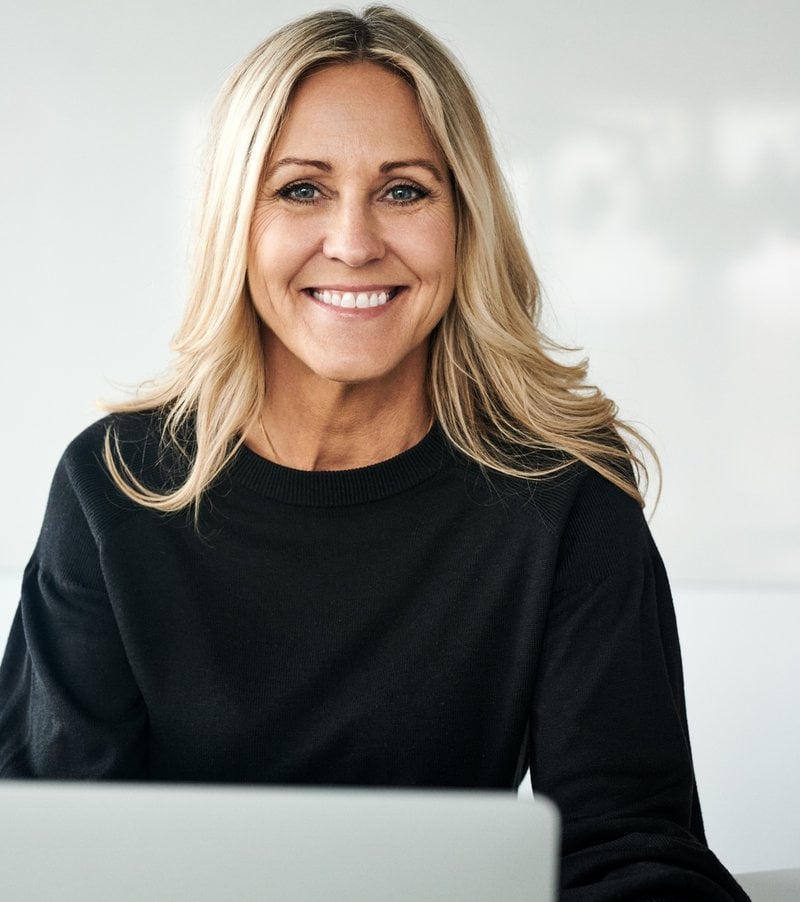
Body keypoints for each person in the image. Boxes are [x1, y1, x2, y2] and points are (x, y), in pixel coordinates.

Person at [0, 6, 749, 900]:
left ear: (464, 220)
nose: (353, 244)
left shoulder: (564, 493)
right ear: (237, 221)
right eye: (302, 189)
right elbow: (50, 844)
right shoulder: (115, 486)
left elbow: (626, 847)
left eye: (404, 190)